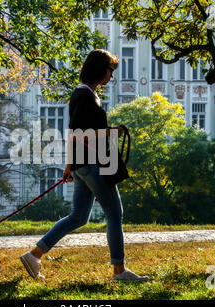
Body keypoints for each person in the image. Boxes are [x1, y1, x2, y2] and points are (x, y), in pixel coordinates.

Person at [20, 49, 149, 282]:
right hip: (93, 164)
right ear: (100, 70)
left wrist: (70, 166)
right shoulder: (86, 96)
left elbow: (73, 132)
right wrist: (111, 132)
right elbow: (78, 134)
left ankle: (34, 255)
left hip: (83, 166)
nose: (112, 75)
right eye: (110, 70)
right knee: (115, 213)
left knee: (78, 217)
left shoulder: (84, 94)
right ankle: (119, 271)